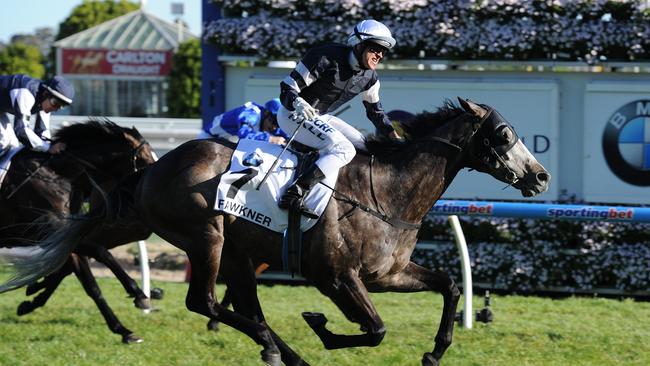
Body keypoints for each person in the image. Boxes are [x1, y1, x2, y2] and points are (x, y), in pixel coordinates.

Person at [276, 19, 403, 216]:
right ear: (359, 44)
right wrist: (297, 102)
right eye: (375, 48)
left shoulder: (370, 78)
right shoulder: (325, 56)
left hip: (320, 117)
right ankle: (295, 192)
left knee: (366, 147)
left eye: (383, 51)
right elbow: (287, 88)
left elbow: (376, 113)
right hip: (292, 114)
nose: (379, 55)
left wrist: (395, 139)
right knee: (343, 148)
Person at [0, 74, 74, 157]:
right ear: (46, 94)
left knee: (12, 145)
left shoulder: (44, 99)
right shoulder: (26, 93)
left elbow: (42, 132)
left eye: (61, 106)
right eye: (56, 103)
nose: (56, 109)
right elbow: (21, 131)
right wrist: (48, 148)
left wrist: (50, 146)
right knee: (6, 142)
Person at [198, 98, 288, 145]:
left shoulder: (268, 121)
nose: (274, 127)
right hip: (209, 138)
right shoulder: (250, 114)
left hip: (227, 141)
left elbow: (283, 133)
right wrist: (270, 139)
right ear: (267, 113)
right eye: (274, 122)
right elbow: (244, 134)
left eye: (278, 124)